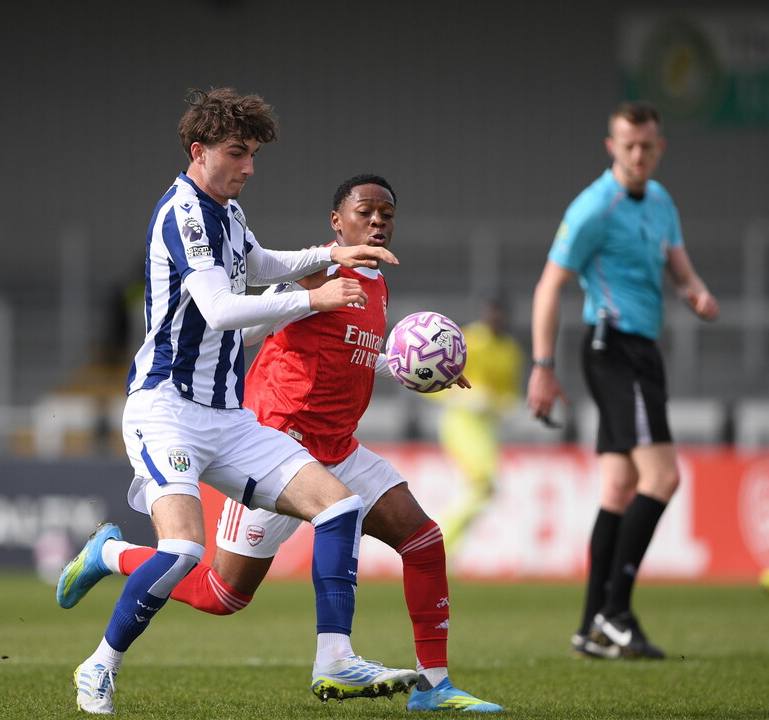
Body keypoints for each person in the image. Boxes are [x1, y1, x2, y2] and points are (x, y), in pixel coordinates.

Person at [59, 173, 504, 713]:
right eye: (366, 211)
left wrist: (415, 369)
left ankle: (434, 688)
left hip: (337, 446)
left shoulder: (376, 285)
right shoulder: (312, 274)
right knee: (223, 595)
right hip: (276, 438)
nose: (378, 221)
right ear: (337, 222)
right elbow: (236, 328)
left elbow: (354, 355)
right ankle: (112, 554)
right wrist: (303, 301)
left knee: (423, 540)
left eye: (387, 213)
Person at [65, 90, 415, 715]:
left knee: (340, 509)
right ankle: (100, 664)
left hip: (227, 418)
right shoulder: (184, 214)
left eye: (252, 154)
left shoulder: (228, 214)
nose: (249, 167)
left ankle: (336, 661)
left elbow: (260, 263)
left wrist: (329, 255)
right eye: (237, 153)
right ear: (199, 153)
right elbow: (222, 310)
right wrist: (315, 297)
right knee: (183, 552)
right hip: (166, 408)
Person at [526, 101, 719, 660]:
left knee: (618, 487)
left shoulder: (660, 203)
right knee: (663, 479)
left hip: (642, 351)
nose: (638, 155)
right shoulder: (593, 208)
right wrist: (542, 366)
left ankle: (589, 627)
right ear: (612, 147)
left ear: (660, 147)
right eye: (628, 145)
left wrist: (695, 293)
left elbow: (679, 269)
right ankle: (617, 612)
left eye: (647, 145)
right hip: (614, 349)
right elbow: (548, 286)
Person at [425, 296, 523, 554]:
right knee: (483, 485)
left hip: (487, 428)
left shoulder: (510, 350)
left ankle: (444, 547)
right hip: (461, 422)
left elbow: (507, 393)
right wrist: (460, 397)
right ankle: (437, 544)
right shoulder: (468, 341)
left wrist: (502, 405)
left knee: (485, 490)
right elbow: (427, 378)